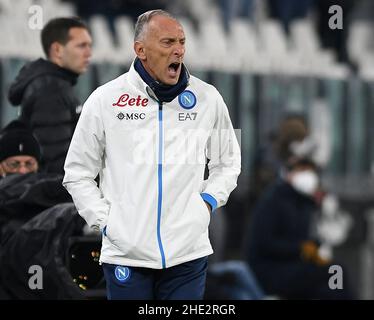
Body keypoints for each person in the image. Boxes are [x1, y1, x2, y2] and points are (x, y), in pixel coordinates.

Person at [63, 9, 241, 300]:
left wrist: (207, 203)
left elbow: (228, 162)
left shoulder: (208, 98)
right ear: (140, 50)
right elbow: (77, 172)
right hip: (126, 255)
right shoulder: (105, 100)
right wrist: (106, 222)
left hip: (188, 253)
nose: (179, 50)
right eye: (168, 42)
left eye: (182, 42)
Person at [246, 156, 354, 299]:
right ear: (288, 174)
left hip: (292, 267)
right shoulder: (273, 201)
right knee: (335, 272)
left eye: (310, 171)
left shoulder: (304, 202)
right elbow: (265, 243)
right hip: (269, 270)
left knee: (332, 279)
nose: (307, 175)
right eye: (301, 170)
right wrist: (301, 249)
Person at [8, 17, 92, 174]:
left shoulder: (57, 84)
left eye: (89, 45)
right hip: (55, 193)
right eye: (81, 46)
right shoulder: (51, 89)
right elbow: (56, 161)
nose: (89, 53)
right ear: (57, 50)